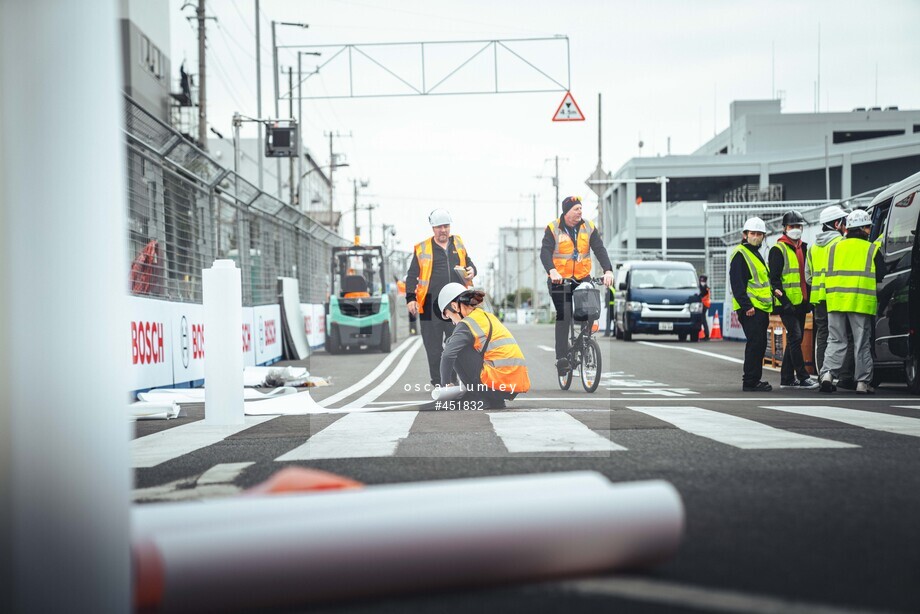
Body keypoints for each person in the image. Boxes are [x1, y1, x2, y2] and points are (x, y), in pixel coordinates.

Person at [540, 196, 614, 375]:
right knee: (564, 313)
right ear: (566, 212)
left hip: (582, 277)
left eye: (581, 208)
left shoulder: (588, 227)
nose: (580, 211)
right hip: (560, 280)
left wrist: (608, 270)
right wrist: (552, 271)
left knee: (591, 310)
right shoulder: (553, 228)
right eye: (576, 208)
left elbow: (599, 249)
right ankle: (562, 358)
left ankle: (584, 340)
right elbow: (545, 252)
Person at [406, 209, 477, 385]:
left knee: (456, 344)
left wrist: (472, 271)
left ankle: (452, 379)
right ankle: (439, 382)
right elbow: (411, 275)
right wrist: (410, 299)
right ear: (433, 228)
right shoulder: (422, 249)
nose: (443, 230)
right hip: (430, 304)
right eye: (439, 227)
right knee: (433, 347)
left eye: (446, 226)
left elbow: (470, 264)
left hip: (455, 304)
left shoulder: (458, 244)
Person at [819, 209, 885, 394]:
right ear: (864, 228)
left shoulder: (833, 248)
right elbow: (881, 273)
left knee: (835, 340)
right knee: (861, 342)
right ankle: (862, 383)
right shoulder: (871, 248)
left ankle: (828, 375)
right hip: (860, 301)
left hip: (836, 300)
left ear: (848, 228)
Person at [436, 283, 530, 409]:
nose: (452, 322)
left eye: (449, 315)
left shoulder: (467, 324)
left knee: (451, 344)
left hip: (497, 383)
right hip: (513, 385)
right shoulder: (487, 317)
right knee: (463, 346)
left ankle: (477, 397)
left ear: (454, 306)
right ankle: (495, 401)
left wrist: (444, 387)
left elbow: (448, 355)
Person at [805, 205, 855, 388]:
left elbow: (808, 277)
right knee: (845, 336)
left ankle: (823, 376)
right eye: (843, 222)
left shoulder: (812, 248)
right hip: (838, 298)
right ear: (836, 224)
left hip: (819, 299)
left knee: (823, 336)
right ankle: (845, 376)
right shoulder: (841, 243)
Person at [768, 211, 819, 389]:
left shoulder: (805, 248)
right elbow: (774, 280)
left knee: (793, 340)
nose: (796, 229)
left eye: (798, 226)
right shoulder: (777, 249)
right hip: (786, 305)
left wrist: (809, 300)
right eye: (792, 226)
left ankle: (787, 378)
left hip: (802, 304)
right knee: (796, 337)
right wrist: (784, 302)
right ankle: (803, 376)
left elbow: (809, 276)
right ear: (785, 228)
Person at [729, 217, 773, 392]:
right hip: (751, 308)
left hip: (759, 307)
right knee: (755, 343)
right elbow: (737, 283)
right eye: (752, 233)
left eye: (759, 234)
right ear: (745, 235)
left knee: (759, 343)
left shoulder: (755, 253)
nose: (756, 237)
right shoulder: (741, 253)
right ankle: (750, 381)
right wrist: (746, 306)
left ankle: (754, 379)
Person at [698, 274, 711, 340]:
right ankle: (701, 335)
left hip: (704, 305)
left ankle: (706, 335)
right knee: (701, 320)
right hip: (700, 305)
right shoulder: (699, 287)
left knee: (703, 320)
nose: (702, 282)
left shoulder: (706, 288)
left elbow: (703, 294)